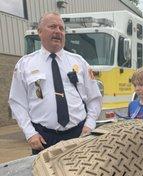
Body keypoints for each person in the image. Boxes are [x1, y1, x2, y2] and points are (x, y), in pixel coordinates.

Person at [9, 12, 102, 154]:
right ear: (39, 32)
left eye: (61, 28)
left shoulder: (79, 62)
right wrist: (30, 133)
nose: (58, 31)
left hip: (79, 135)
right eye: (52, 26)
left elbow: (94, 98)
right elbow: (17, 102)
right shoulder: (25, 64)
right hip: (43, 139)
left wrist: (90, 124)